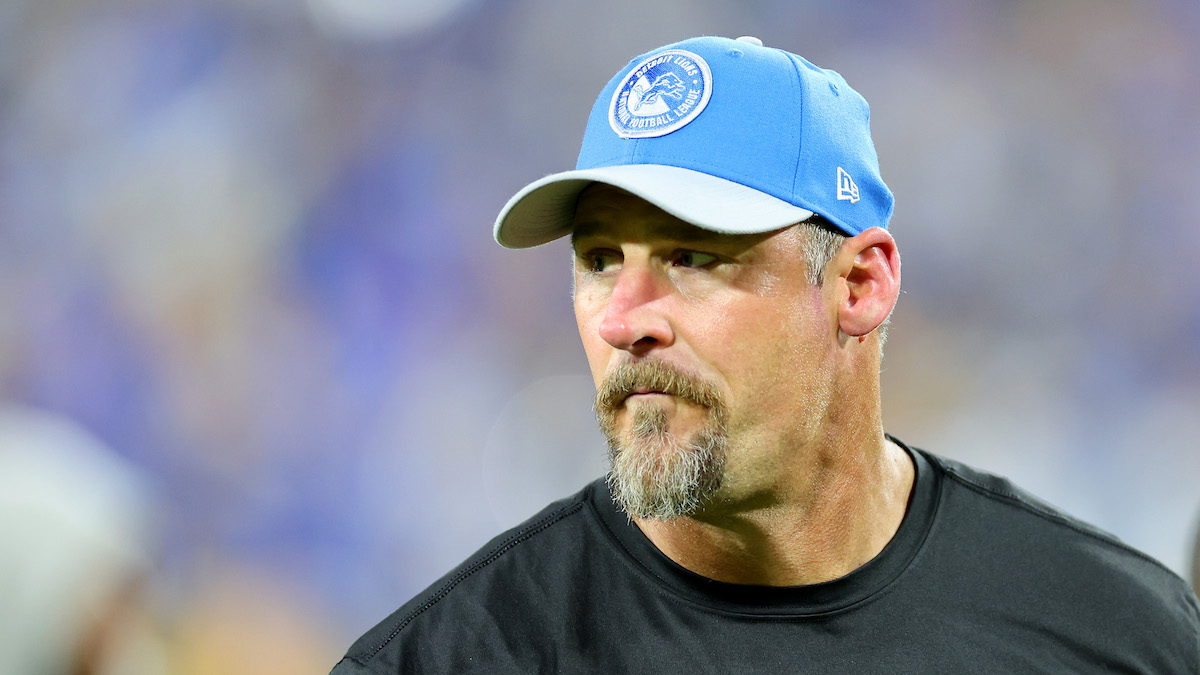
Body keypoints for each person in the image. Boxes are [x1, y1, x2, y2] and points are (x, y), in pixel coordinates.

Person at [331, 36, 1200, 673]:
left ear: (860, 284)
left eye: (693, 257)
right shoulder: (453, 656)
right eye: (599, 261)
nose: (623, 320)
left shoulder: (1120, 634)